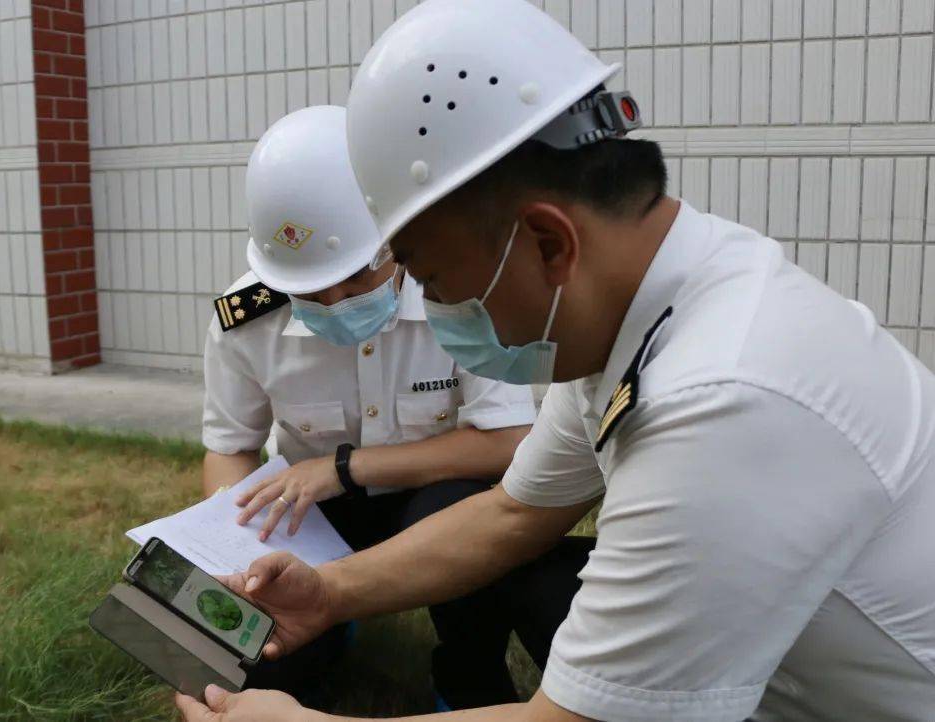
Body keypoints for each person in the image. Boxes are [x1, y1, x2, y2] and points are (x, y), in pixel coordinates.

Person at [178, 1, 935, 721]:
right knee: (544, 578)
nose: (437, 310)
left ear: (547, 243)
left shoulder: (720, 401)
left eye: (435, 278)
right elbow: (512, 516)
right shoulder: (651, 309)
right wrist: (329, 592)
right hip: (795, 676)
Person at [200, 104, 540, 709]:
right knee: (272, 669)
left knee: (474, 518)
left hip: (430, 494)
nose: (333, 302)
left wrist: (343, 469)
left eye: (355, 277)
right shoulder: (245, 317)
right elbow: (229, 446)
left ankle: (465, 674)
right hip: (313, 514)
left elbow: (509, 441)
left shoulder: (460, 293)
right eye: (307, 287)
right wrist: (237, 547)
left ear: (394, 238)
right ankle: (327, 625)